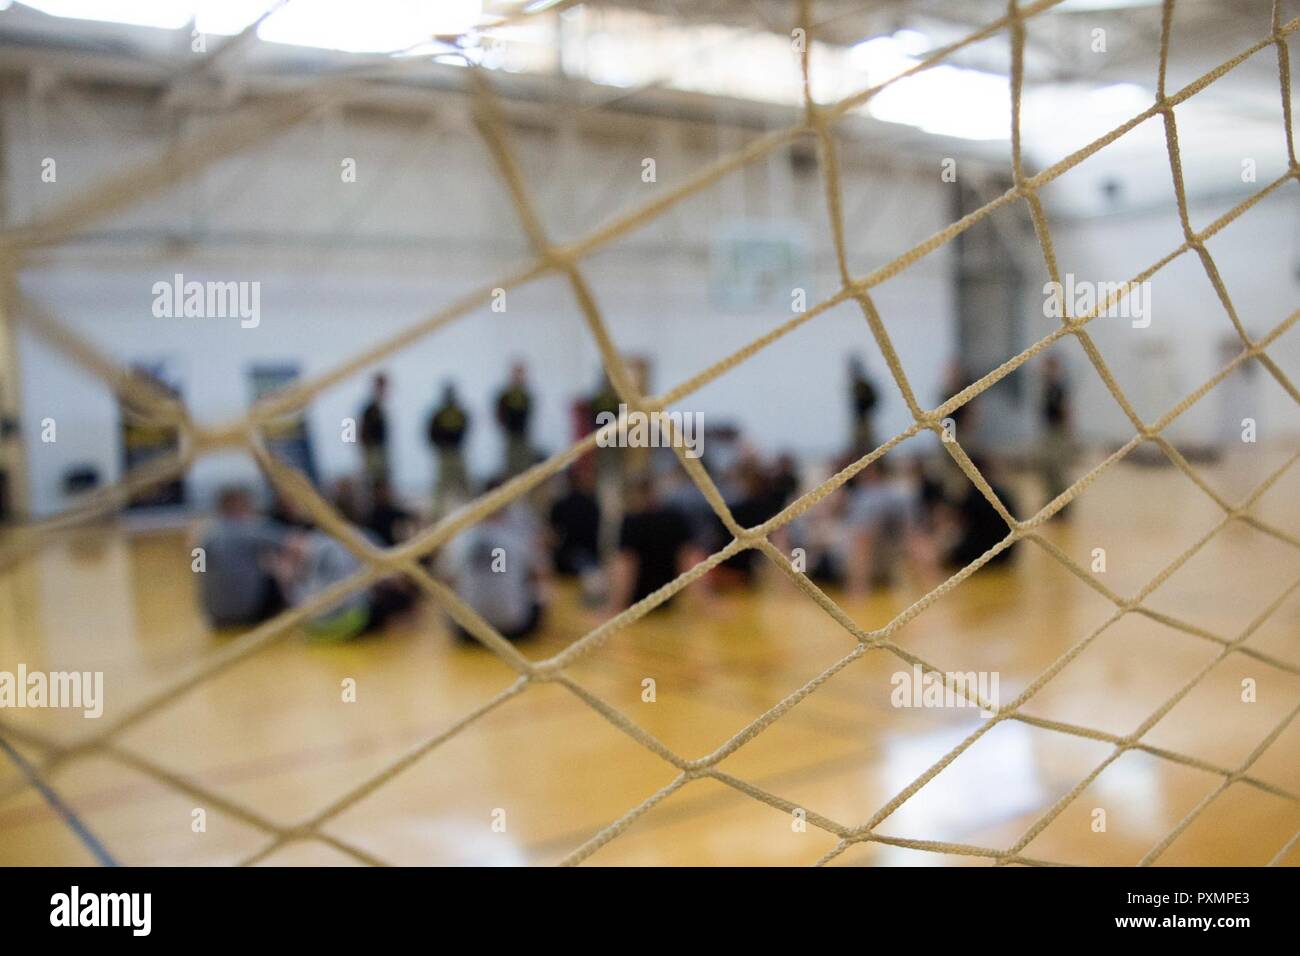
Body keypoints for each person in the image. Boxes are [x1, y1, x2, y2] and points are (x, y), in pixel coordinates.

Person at [441, 484, 549, 642]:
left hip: (468, 632)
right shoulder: (518, 535)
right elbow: (541, 575)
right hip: (514, 628)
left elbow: (447, 580)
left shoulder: (462, 536)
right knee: (540, 591)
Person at [272, 529, 415, 641]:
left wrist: (286, 581)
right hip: (343, 617)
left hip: (338, 619)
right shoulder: (330, 547)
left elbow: (308, 608)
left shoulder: (322, 550)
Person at [196, 486, 287, 629]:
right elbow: (292, 542)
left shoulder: (204, 535)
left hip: (215, 614)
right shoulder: (252, 528)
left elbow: (197, 569)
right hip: (248, 613)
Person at [608, 474, 695, 611]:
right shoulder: (674, 519)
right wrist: (705, 602)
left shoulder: (632, 522)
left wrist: (614, 608)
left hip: (635, 604)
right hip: (667, 600)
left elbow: (626, 564)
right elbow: (689, 559)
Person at [548, 467, 601, 576]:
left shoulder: (559, 505)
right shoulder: (593, 505)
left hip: (564, 563)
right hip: (589, 561)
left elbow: (553, 536)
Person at [428, 383, 470, 517]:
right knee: (441, 487)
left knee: (465, 483)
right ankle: (436, 515)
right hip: (445, 454)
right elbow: (431, 432)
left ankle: (476, 511)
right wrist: (441, 446)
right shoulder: (439, 414)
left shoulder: (459, 413)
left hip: (457, 453)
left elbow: (465, 427)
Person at [1039, 355, 1073, 513]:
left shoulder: (1059, 387)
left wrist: (1067, 434)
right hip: (1049, 431)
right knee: (1047, 467)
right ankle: (1052, 501)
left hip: (1058, 433)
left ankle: (1064, 505)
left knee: (1059, 469)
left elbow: (1066, 410)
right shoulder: (1047, 387)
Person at [496, 362, 534, 478]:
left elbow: (529, 413)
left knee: (525, 465)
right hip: (510, 435)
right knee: (511, 465)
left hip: (523, 434)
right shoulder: (505, 395)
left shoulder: (526, 395)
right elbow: (499, 414)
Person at [365, 477, 415, 547]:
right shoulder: (369, 519)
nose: (384, 493)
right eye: (380, 490)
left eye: (385, 490)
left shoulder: (398, 515)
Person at [359, 373, 390, 485]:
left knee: (379, 478)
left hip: (377, 449)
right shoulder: (371, 409)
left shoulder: (378, 408)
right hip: (373, 450)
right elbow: (362, 430)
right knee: (374, 478)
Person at [848, 356, 879, 458]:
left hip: (864, 419)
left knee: (867, 443)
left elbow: (874, 399)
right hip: (858, 419)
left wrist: (866, 409)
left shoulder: (863, 385)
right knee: (858, 444)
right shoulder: (855, 385)